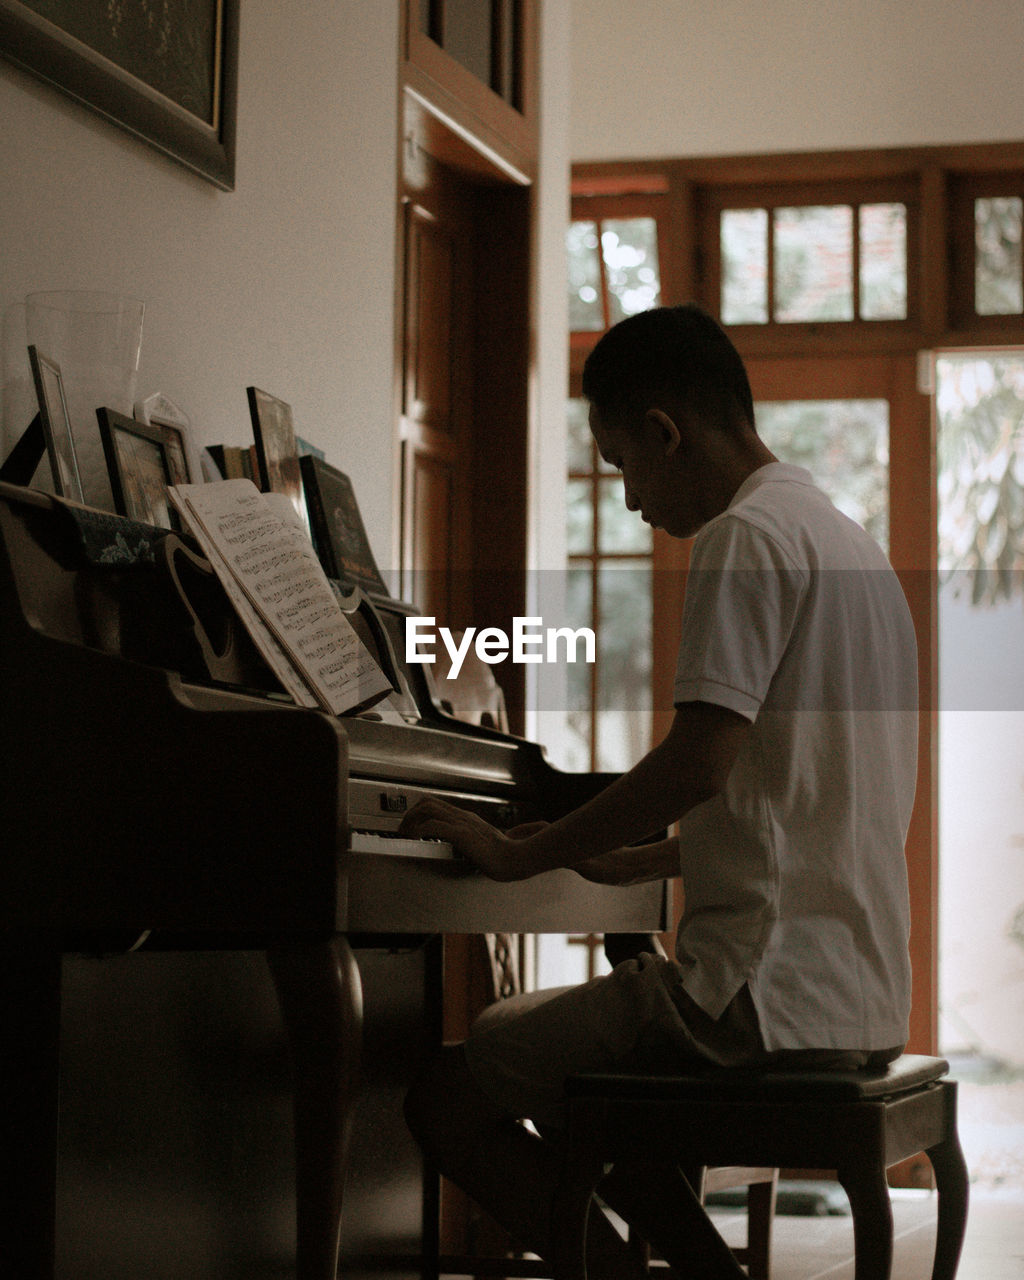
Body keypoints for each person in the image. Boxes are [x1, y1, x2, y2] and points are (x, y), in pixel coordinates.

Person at [398, 304, 918, 1279]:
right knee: (593, 1088)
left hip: (750, 997)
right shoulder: (850, 546)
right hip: (854, 993)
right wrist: (633, 855)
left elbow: (696, 764)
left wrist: (519, 851)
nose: (629, 497)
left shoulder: (743, 538)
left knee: (445, 1090)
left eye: (620, 460)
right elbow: (806, 805)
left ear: (664, 430)